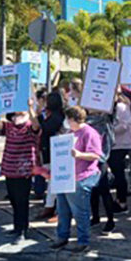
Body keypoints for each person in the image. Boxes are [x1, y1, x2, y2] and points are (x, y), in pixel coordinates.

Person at [50, 106, 102, 253]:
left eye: (68, 119)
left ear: (73, 119)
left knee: (80, 212)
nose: (66, 122)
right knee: (63, 210)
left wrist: (79, 155)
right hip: (66, 177)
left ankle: (83, 241)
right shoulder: (70, 132)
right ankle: (62, 237)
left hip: (81, 177)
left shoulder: (89, 133)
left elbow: (96, 155)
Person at [0, 100, 41, 244]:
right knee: (13, 199)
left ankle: (22, 230)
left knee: (21, 201)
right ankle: (17, 226)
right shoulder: (10, 126)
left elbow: (36, 125)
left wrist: (30, 107)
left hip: (23, 170)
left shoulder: (30, 126)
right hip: (9, 169)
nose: (17, 113)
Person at [35, 92, 66, 221]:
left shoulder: (58, 117)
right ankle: (50, 206)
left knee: (55, 181)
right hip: (48, 151)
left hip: (55, 152)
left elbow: (46, 128)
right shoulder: (52, 115)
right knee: (51, 181)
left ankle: (56, 209)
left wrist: (39, 117)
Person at [87, 109, 116, 234]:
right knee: (93, 190)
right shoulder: (85, 121)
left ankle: (110, 220)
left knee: (104, 191)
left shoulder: (105, 121)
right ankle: (95, 217)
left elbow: (111, 141)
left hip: (100, 159)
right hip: (87, 159)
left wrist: (103, 156)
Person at [109, 92, 131, 216]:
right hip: (115, 144)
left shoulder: (121, 107)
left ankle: (122, 202)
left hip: (121, 144)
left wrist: (109, 130)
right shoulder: (114, 107)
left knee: (119, 172)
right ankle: (119, 199)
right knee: (116, 171)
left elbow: (123, 125)